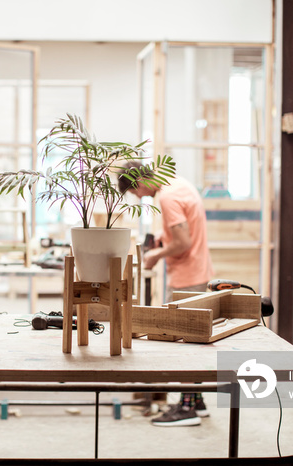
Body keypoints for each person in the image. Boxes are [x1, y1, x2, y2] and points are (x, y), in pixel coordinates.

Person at [119, 162, 214, 427]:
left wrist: (155, 255)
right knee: (194, 341)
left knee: (186, 344)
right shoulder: (178, 184)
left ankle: (186, 410)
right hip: (198, 271)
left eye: (134, 192)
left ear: (139, 182)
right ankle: (196, 400)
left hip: (187, 278)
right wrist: (162, 239)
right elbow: (186, 231)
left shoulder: (168, 197)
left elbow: (184, 242)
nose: (138, 198)